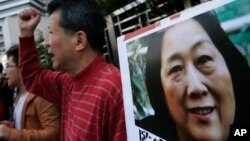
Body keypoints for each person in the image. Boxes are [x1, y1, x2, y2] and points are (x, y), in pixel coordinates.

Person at [18, 0, 126, 140]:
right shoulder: (68, 82)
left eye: (51, 33)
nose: (46, 43)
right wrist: (26, 33)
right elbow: (33, 78)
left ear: (79, 41)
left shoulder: (113, 89)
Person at [142, 12, 250, 141]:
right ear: (160, 89)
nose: (196, 87)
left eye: (204, 59)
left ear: (230, 66)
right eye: (176, 69)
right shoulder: (141, 133)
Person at [0, 45, 60, 141]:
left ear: (21, 67)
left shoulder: (42, 95)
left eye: (7, 66)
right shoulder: (19, 95)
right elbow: (25, 127)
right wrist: (9, 126)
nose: (4, 73)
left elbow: (54, 134)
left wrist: (11, 133)